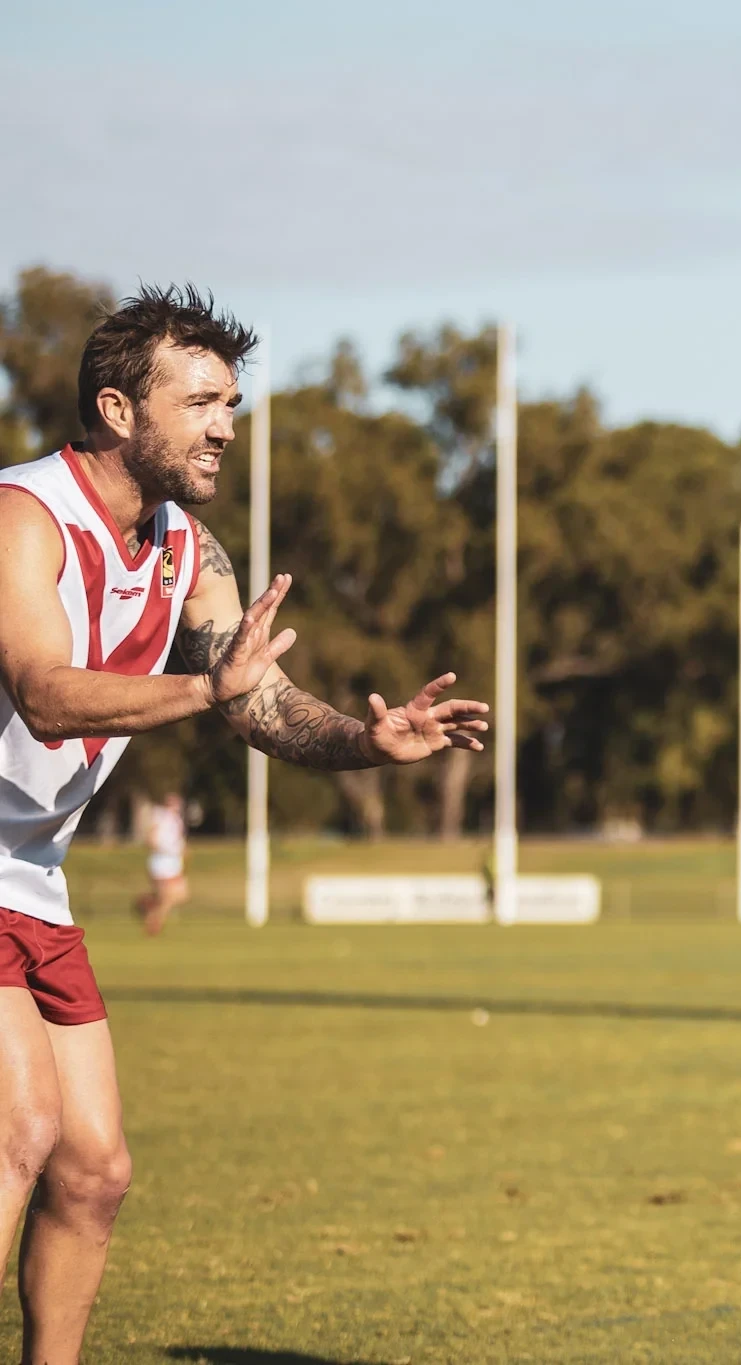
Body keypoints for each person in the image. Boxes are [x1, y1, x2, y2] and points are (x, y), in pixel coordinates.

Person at [0, 285, 488, 1365]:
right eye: (203, 401)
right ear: (120, 411)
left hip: (32, 878)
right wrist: (203, 694)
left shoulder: (188, 553)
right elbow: (44, 691)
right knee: (21, 1130)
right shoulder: (21, 515)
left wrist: (371, 742)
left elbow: (255, 699)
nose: (227, 424)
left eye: (232, 401)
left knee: (95, 1172)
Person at [134, 792, 188, 936]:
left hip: (173, 862)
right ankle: (154, 923)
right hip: (161, 862)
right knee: (170, 896)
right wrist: (162, 847)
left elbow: (176, 840)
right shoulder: (161, 816)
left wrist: (182, 850)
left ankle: (146, 905)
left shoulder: (176, 820)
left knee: (179, 895)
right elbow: (151, 838)